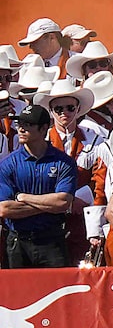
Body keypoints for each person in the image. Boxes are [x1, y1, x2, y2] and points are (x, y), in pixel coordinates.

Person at [0, 105, 80, 269]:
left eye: (28, 124)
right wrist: (49, 205)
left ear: (44, 128)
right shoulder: (8, 164)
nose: (21, 129)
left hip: (51, 239)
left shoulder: (63, 162)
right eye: (19, 123)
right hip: (18, 241)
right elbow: (4, 209)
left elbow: (63, 203)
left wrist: (23, 197)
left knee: (57, 290)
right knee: (18, 292)